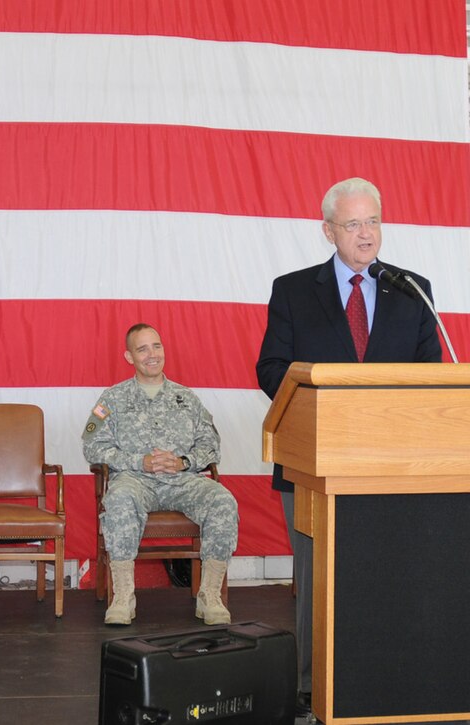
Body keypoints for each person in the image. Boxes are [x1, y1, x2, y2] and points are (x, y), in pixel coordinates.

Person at [256, 177, 441, 715]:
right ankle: (313, 689)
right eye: (354, 223)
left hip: (393, 464)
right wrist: (324, 401)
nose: (366, 233)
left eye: (374, 221)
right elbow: (271, 368)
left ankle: (390, 680)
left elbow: (431, 374)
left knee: (391, 574)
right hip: (314, 462)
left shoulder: (413, 288)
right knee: (321, 581)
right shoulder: (293, 289)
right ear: (328, 231)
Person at [82, 323, 238, 626]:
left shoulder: (186, 398)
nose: (152, 355)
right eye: (142, 349)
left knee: (223, 500)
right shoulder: (112, 399)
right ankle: (124, 595)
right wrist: (139, 461)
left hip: (183, 481)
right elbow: (93, 446)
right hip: (135, 480)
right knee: (119, 500)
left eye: (157, 346)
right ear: (129, 356)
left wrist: (183, 461)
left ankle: (209, 595)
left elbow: (211, 445)